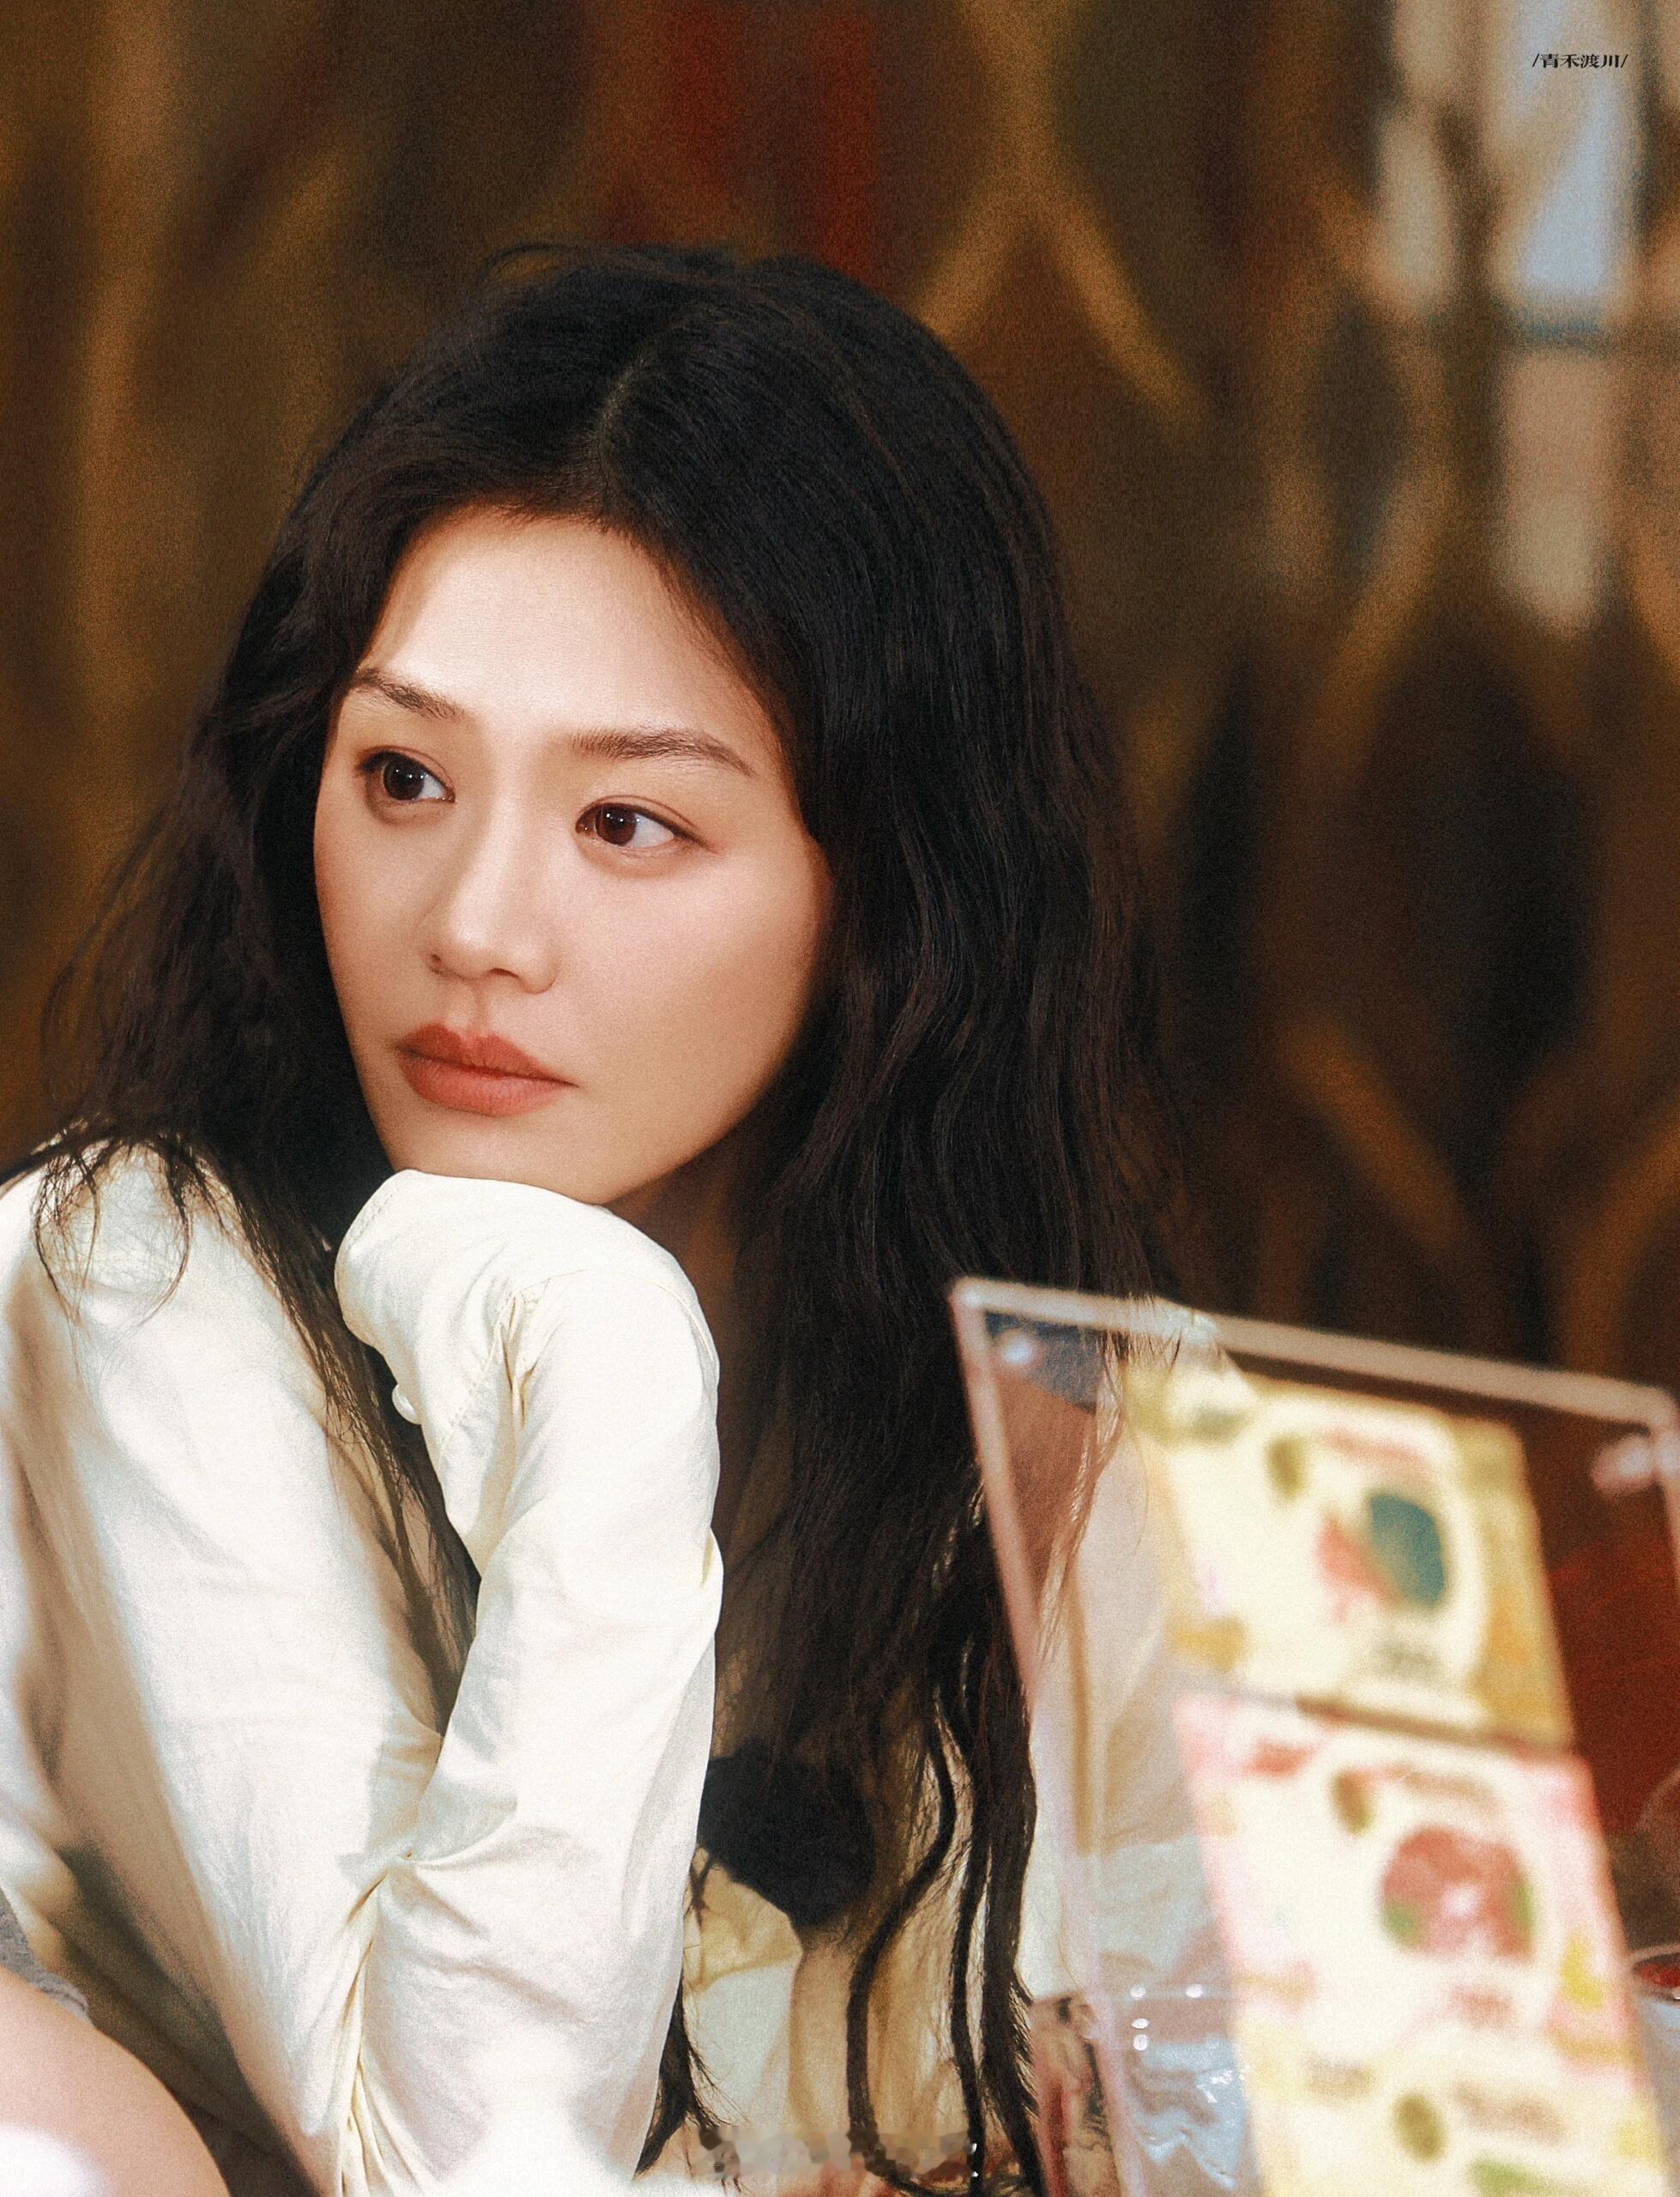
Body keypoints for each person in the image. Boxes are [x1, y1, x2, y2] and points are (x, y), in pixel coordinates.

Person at [0, 244, 1190, 2194]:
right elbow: (468, 2160)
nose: (474, 923)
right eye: (402, 776)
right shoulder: (139, 1267)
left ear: (885, 893)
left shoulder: (1066, 1433)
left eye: (626, 822)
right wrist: (610, 1358)